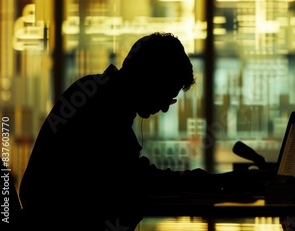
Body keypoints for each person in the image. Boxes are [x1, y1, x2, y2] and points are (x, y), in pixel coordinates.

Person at [19, 32, 209, 231]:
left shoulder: (94, 92)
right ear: (150, 79)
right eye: (166, 96)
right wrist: (204, 182)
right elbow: (136, 179)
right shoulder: (104, 107)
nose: (164, 108)